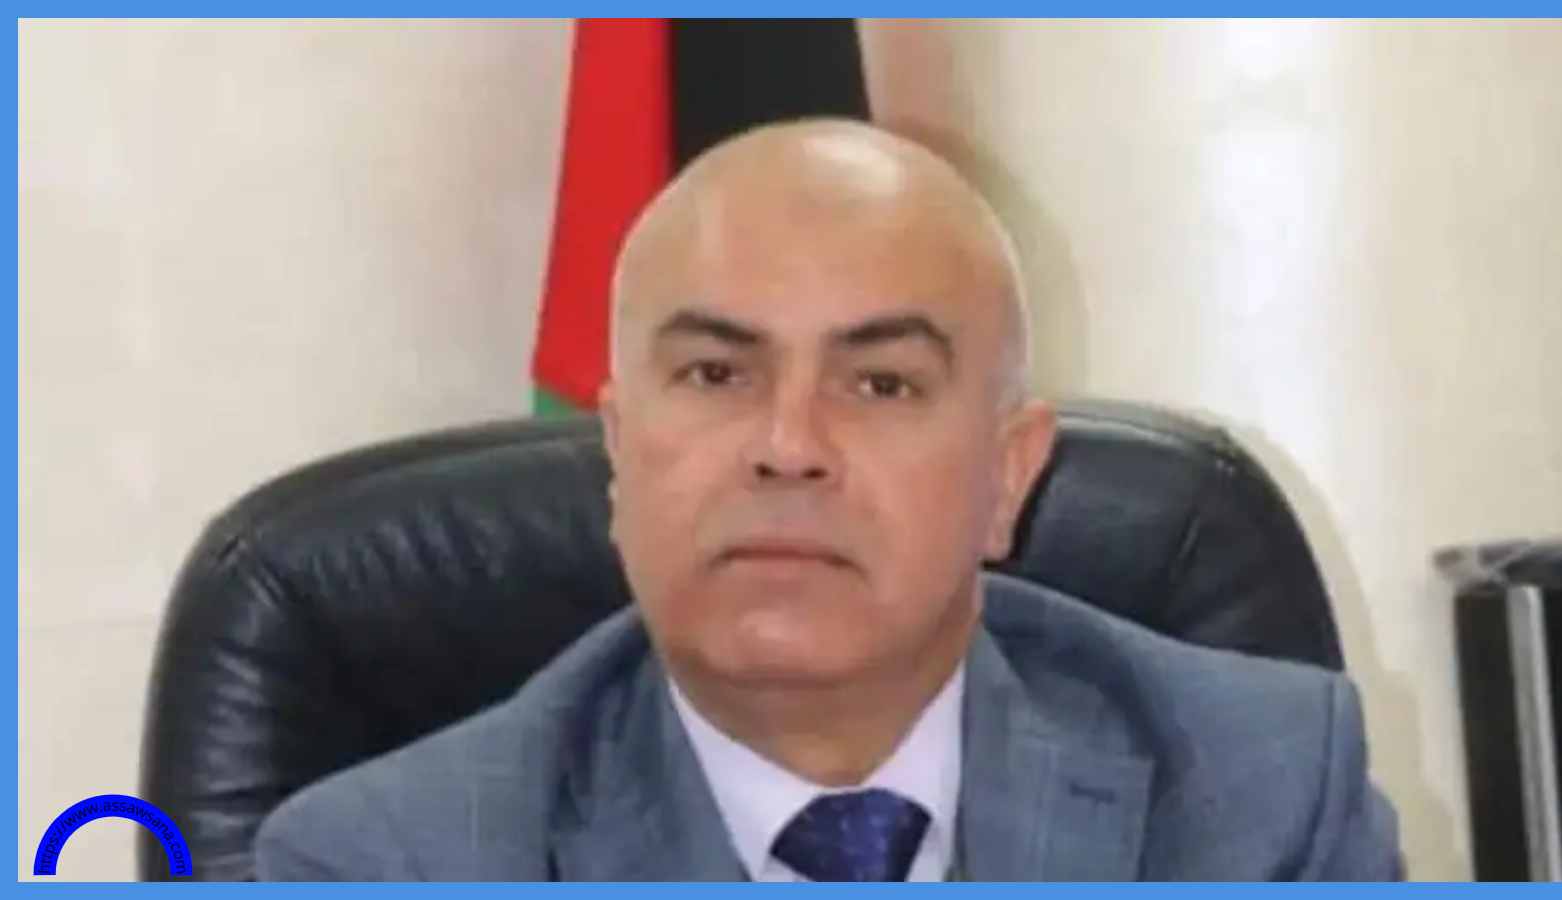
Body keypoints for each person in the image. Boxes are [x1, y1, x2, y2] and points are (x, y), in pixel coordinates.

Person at [254, 119, 1402, 881]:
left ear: (1006, 476)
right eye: (717, 374)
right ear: (618, 451)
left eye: (880, 384)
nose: (788, 447)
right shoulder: (389, 863)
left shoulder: (1260, 794)